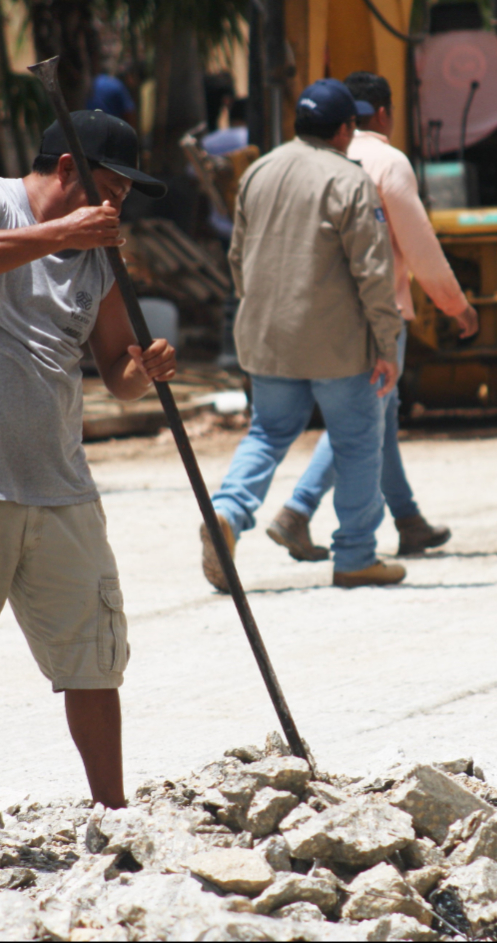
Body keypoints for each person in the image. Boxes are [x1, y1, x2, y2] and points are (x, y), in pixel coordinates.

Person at [0, 111, 177, 871]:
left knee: (93, 657)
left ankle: (112, 812)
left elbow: (116, 375)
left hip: (59, 485)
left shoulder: (98, 253)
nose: (114, 207)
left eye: (122, 196)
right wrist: (64, 235)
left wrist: (142, 370)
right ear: (64, 170)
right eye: (108, 187)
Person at [266, 71, 478, 562]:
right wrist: (456, 305)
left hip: (311, 310)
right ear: (382, 113)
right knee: (362, 417)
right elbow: (419, 248)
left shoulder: (304, 160)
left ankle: (408, 520)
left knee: (379, 413)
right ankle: (296, 511)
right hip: (377, 311)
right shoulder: (386, 160)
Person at [203, 78, 405, 590]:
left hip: (267, 338)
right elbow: (374, 272)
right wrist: (386, 343)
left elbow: (238, 257)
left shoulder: (258, 172)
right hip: (337, 343)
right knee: (358, 440)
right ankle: (356, 554)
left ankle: (226, 512)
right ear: (346, 129)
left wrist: (259, 311)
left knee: (268, 433)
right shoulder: (349, 180)